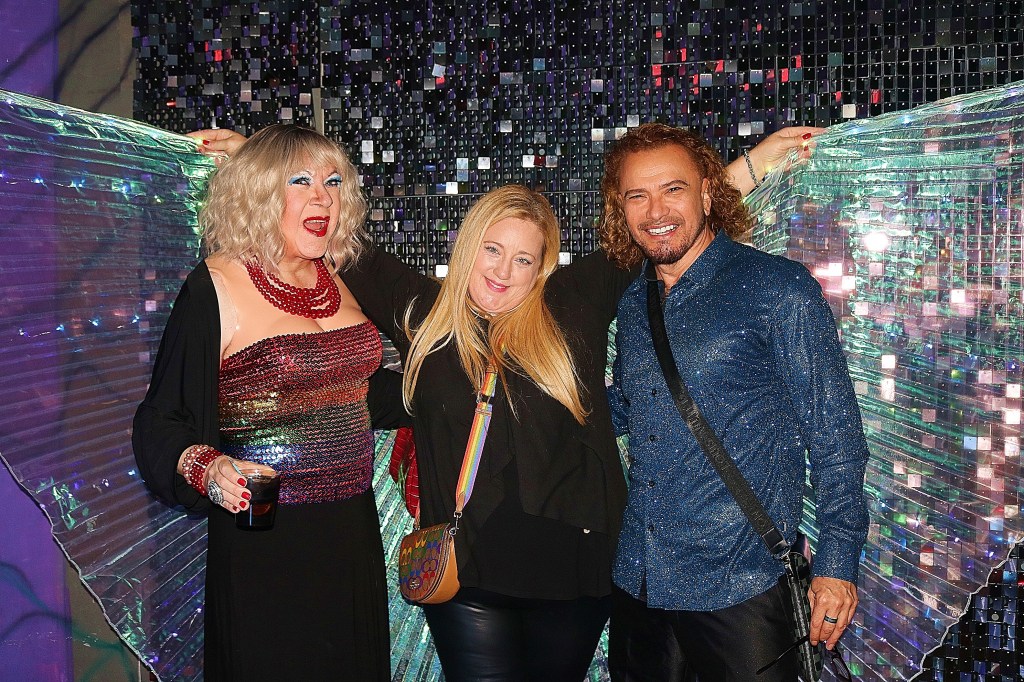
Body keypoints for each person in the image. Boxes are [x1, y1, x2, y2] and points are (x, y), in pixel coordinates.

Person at [193, 125, 819, 681]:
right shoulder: (429, 314)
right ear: (468, 248)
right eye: (492, 250)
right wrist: (262, 166)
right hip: (465, 569)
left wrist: (752, 167)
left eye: (524, 259)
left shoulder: (570, 305)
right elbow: (339, 242)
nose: (503, 271)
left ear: (542, 267)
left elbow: (659, 227)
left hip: (574, 569)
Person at [132, 124, 405, 681]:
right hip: (265, 544)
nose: (322, 197)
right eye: (300, 180)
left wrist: (450, 389)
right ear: (260, 191)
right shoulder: (215, 284)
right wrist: (208, 467)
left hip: (350, 535)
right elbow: (160, 418)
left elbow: (362, 392)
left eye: (333, 182)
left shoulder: (339, 273)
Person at [601, 122, 870, 681]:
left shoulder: (778, 288)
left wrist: (837, 564)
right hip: (641, 582)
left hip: (744, 583)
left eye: (673, 189)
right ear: (620, 209)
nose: (656, 211)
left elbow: (836, 437)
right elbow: (628, 409)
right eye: (637, 195)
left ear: (707, 192)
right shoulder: (631, 304)